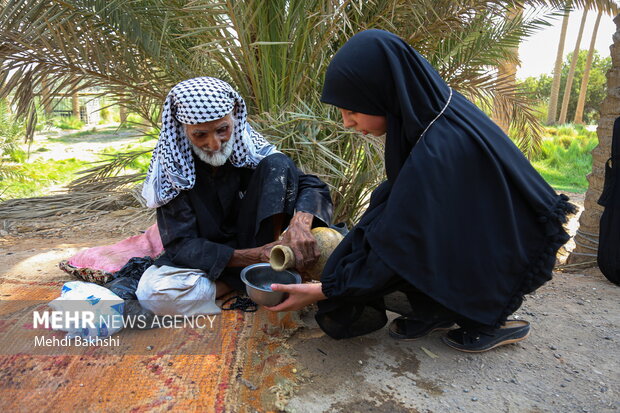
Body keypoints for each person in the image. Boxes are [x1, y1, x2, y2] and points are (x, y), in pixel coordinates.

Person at [267, 29, 575, 352]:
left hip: (503, 244)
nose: (346, 122)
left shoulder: (439, 148)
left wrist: (328, 290)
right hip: (474, 233)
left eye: (352, 110)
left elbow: (401, 236)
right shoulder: (429, 115)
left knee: (396, 239)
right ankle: (438, 309)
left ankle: (489, 318)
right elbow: (396, 208)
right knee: (384, 213)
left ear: (382, 92)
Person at [136, 77, 333, 316]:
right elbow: (182, 245)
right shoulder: (173, 171)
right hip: (213, 258)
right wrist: (254, 256)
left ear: (234, 120)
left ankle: (257, 275)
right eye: (200, 135)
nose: (214, 144)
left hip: (263, 243)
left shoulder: (250, 150)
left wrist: (300, 224)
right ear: (183, 130)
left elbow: (311, 185)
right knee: (153, 294)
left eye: (222, 130)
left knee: (279, 164)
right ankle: (241, 281)